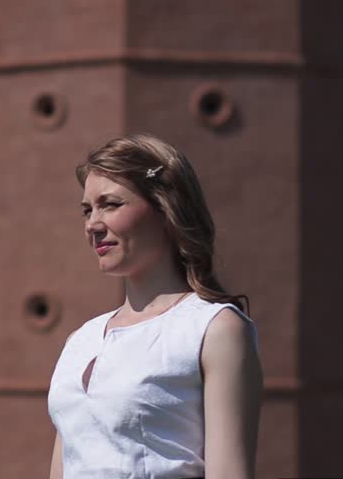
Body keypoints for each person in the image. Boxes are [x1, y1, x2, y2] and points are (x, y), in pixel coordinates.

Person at [48, 134, 263, 479]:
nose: (93, 225)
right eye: (88, 210)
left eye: (111, 205)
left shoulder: (213, 329)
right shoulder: (81, 340)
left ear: (166, 208)